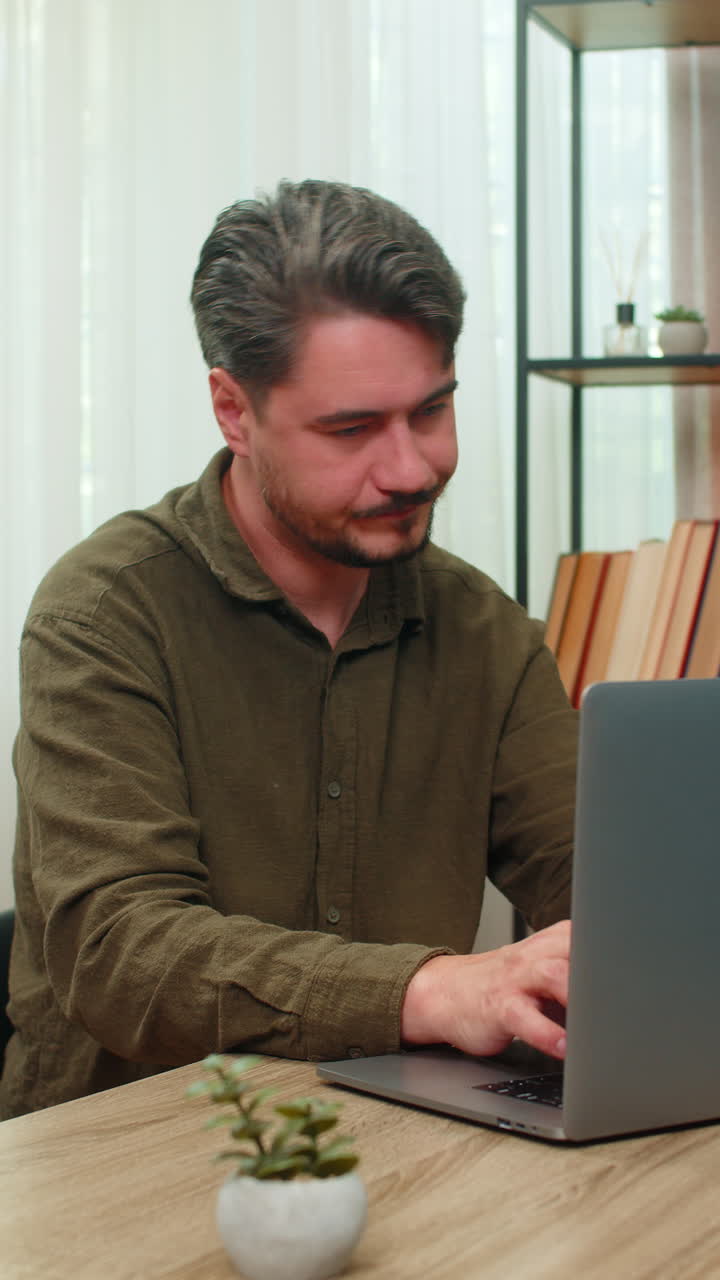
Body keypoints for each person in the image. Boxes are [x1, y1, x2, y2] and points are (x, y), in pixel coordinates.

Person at [0, 180, 576, 1119]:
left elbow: (596, 875)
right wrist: (427, 990)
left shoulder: (485, 630)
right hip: (128, 1161)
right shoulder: (104, 614)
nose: (412, 468)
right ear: (233, 410)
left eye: (431, 410)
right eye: (351, 429)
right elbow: (120, 951)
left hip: (404, 1146)